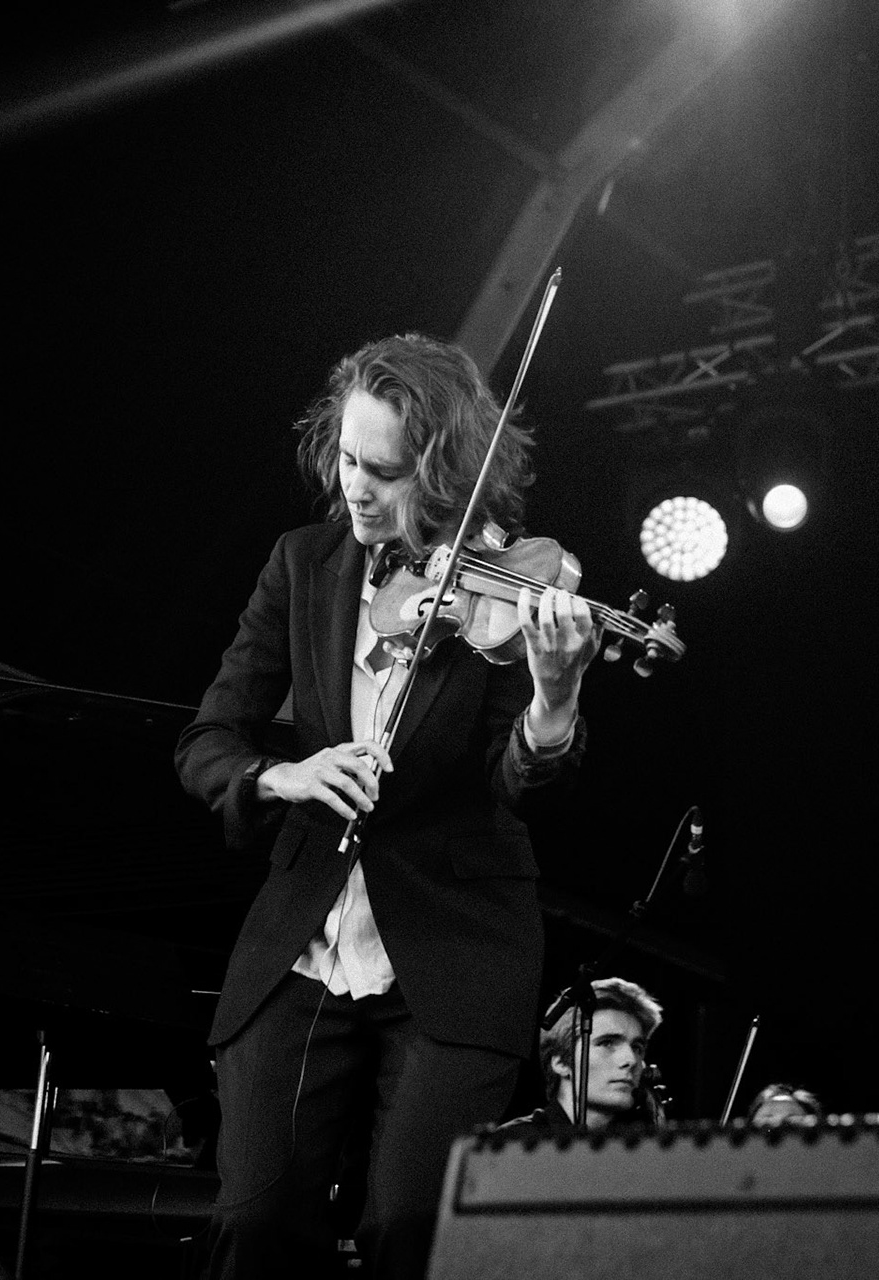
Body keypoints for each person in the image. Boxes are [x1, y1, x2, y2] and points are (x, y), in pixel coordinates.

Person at [175, 333, 599, 1278]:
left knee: (412, 1228)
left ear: (444, 477)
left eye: (385, 472)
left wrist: (554, 699)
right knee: (253, 1222)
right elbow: (207, 742)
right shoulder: (303, 564)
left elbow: (516, 783)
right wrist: (280, 776)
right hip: (306, 946)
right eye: (345, 458)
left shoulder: (507, 588)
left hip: (452, 944)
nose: (354, 487)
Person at [497, 977, 664, 1137]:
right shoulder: (511, 1143)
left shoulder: (631, 1151)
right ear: (561, 1062)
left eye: (637, 1047)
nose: (632, 1060)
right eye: (607, 1043)